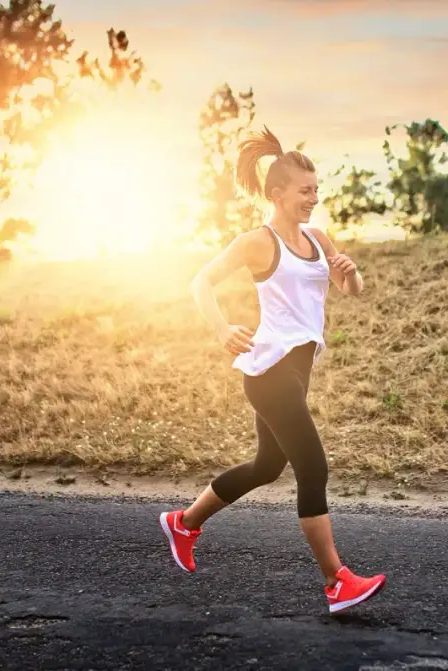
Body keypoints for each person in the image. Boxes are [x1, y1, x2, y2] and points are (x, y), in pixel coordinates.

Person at [158, 125, 386, 614]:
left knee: (267, 467)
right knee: (313, 467)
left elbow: (353, 290)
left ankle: (184, 522)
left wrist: (349, 273)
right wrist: (222, 330)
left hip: (298, 371)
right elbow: (201, 282)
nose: (314, 198)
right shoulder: (256, 243)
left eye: (316, 189)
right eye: (305, 191)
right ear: (278, 194)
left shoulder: (319, 238)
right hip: (270, 372)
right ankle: (336, 582)